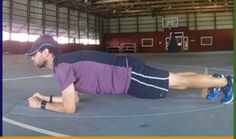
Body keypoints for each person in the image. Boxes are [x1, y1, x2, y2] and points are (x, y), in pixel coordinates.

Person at [25, 35, 234, 113]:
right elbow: (75, 97)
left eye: (33, 54)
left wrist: (41, 105)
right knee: (176, 81)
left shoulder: (61, 67)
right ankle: (214, 80)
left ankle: (225, 81)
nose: (31, 58)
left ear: (46, 52)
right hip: (128, 75)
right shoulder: (62, 66)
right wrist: (47, 97)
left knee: (176, 81)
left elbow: (70, 108)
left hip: (130, 75)